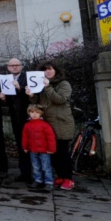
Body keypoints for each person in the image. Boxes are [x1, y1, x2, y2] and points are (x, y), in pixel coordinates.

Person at [26, 60, 75, 190]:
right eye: (45, 69)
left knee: (63, 153)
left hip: (61, 123)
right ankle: (60, 176)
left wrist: (47, 87)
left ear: (56, 70)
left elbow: (60, 100)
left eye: (50, 69)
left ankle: (68, 179)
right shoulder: (41, 85)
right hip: (47, 124)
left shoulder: (63, 84)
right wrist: (32, 96)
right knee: (52, 153)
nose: (48, 71)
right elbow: (39, 104)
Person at [0, 58, 32, 182]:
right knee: (20, 144)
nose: (14, 67)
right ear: (8, 67)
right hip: (15, 117)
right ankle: (24, 172)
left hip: (27, 116)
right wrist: (3, 98)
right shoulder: (6, 80)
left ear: (21, 66)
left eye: (16, 65)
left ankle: (33, 173)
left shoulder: (27, 77)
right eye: (11, 65)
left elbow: (32, 95)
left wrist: (20, 88)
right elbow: (10, 101)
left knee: (30, 145)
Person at [22, 104, 56, 190]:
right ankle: (38, 180)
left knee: (46, 167)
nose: (34, 114)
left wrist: (51, 149)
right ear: (28, 113)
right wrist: (25, 147)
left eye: (37, 112)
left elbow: (50, 138)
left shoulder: (45, 125)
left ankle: (49, 182)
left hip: (44, 151)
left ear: (41, 113)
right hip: (33, 150)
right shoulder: (27, 125)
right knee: (36, 167)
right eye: (32, 112)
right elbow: (25, 137)